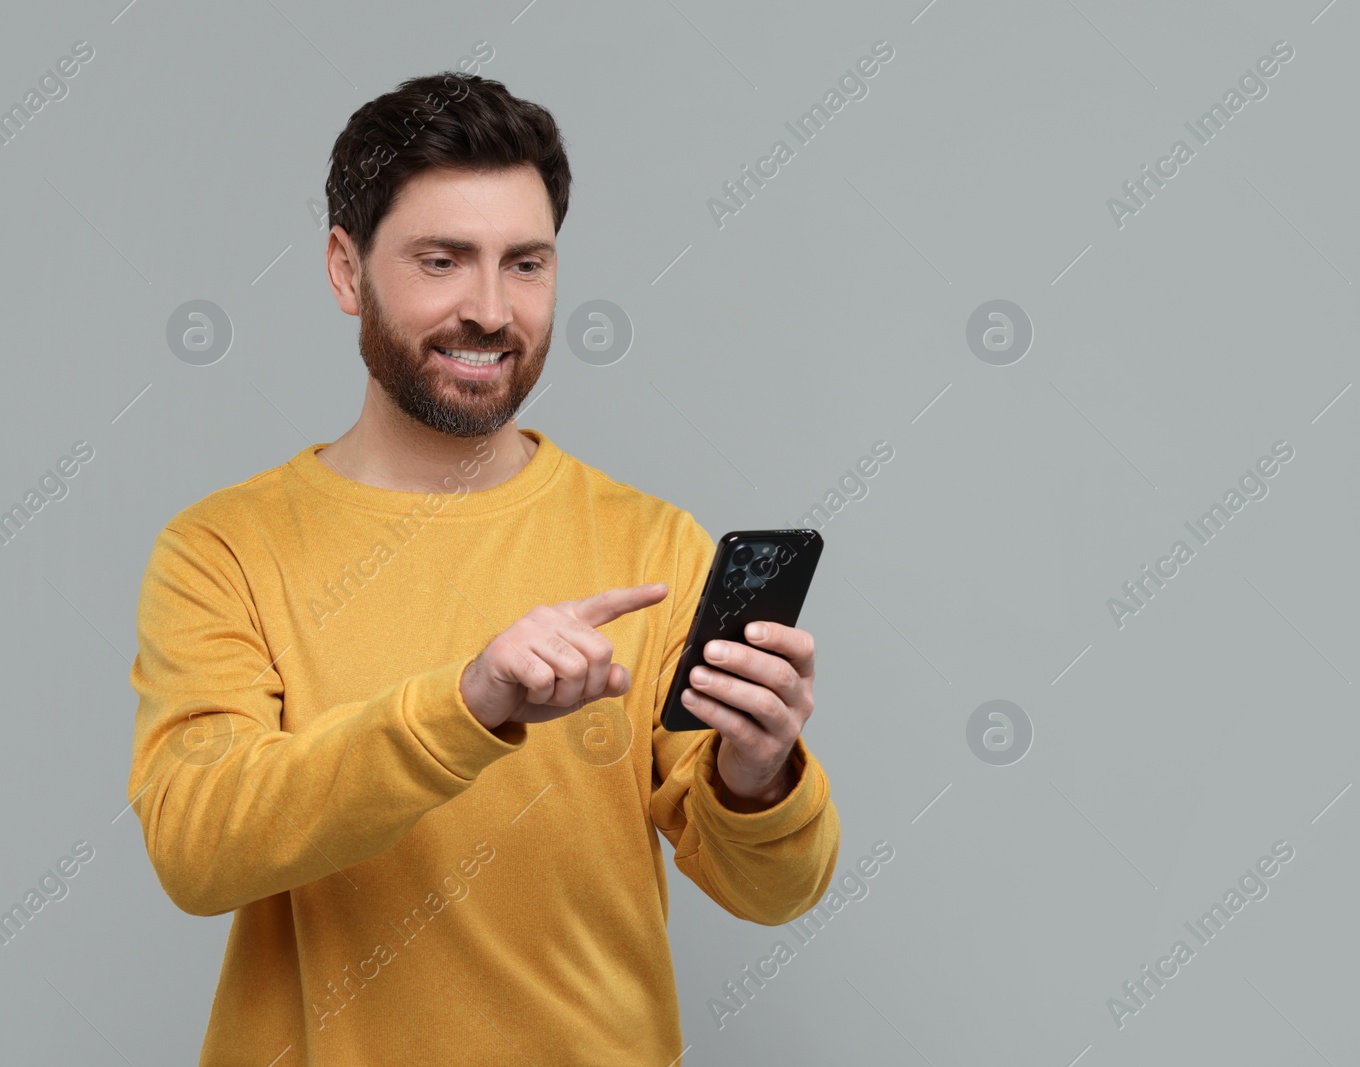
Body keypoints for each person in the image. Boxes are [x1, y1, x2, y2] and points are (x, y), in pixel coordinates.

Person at [126, 70, 840, 1066]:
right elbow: (200, 849)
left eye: (527, 263)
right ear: (346, 269)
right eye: (442, 260)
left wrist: (759, 776)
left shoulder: (652, 543)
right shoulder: (224, 548)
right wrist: (468, 702)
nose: (492, 309)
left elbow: (775, 891)